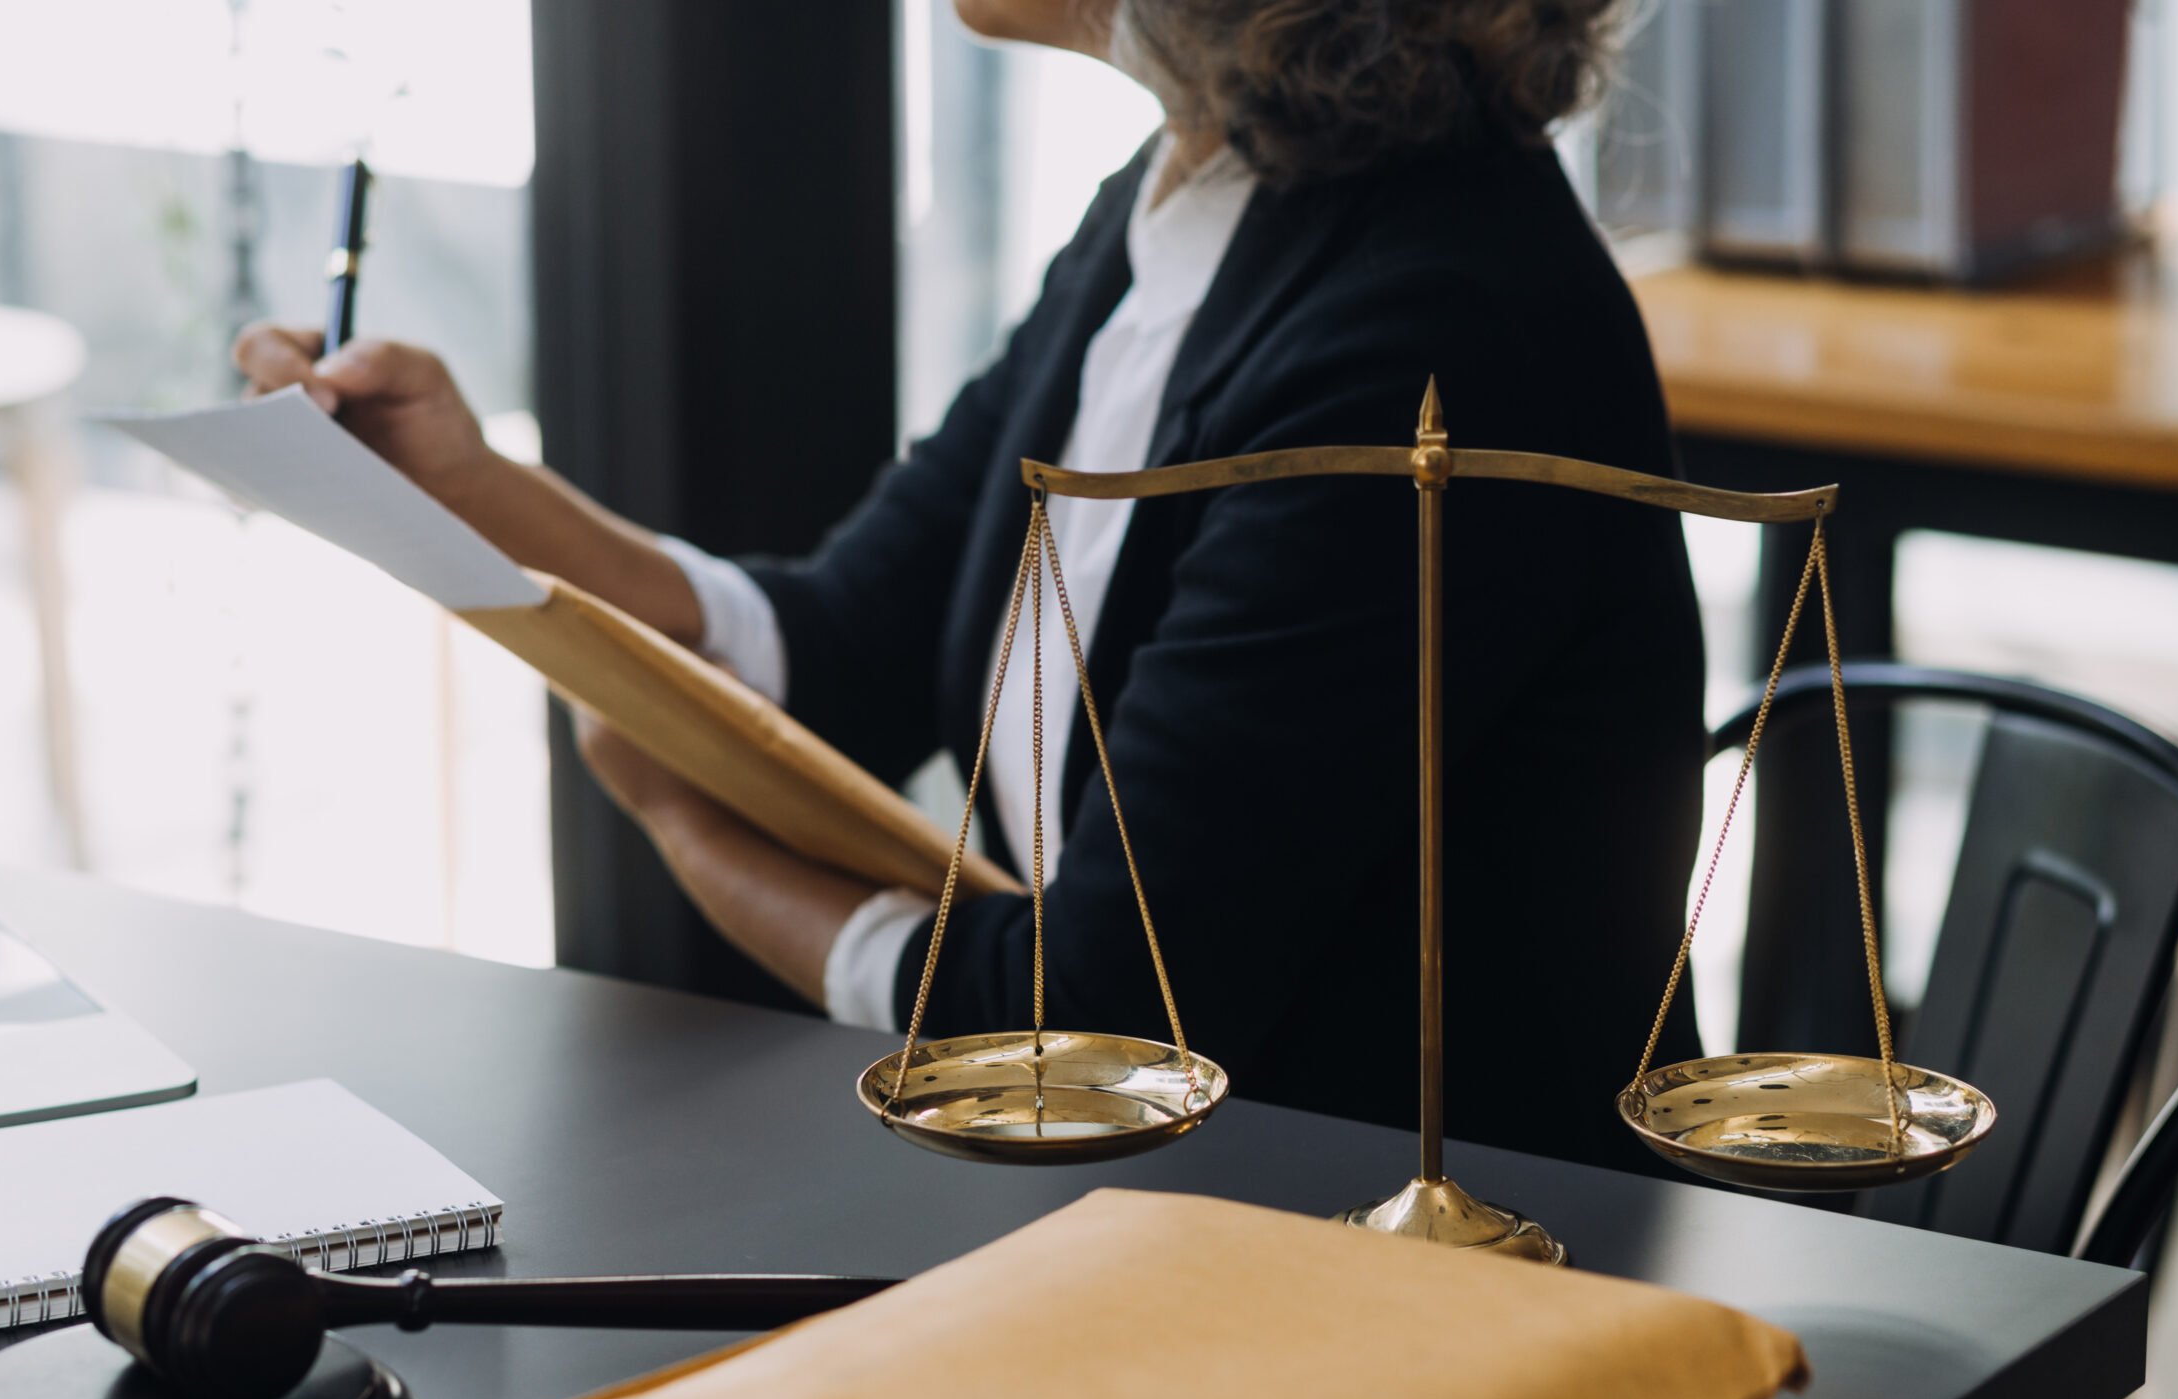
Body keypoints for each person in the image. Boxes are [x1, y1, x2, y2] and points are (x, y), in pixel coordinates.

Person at [236, 0, 1703, 1174]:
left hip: (1421, 1292)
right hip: (1175, 1216)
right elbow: (843, 649)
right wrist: (458, 481)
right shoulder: (1197, 194)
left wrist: (687, 823)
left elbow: (1094, 1028)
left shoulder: (1432, 325)